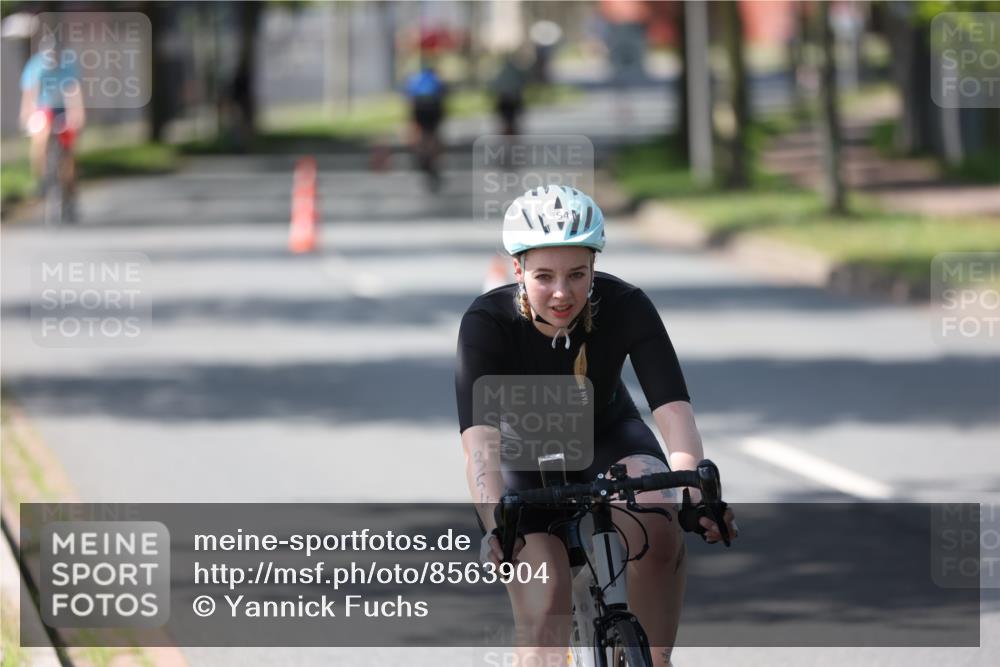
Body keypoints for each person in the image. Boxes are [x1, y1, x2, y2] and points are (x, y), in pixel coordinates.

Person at [455, 185, 737, 666]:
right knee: (546, 590)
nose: (562, 292)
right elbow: (480, 445)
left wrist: (693, 492)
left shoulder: (626, 305)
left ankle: (655, 658)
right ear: (518, 270)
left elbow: (673, 411)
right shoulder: (487, 323)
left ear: (594, 267)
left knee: (658, 514)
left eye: (577, 274)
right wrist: (494, 522)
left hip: (606, 435)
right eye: (544, 276)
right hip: (525, 459)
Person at [19, 31, 86, 216]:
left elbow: (73, 92)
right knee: (40, 138)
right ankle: (40, 179)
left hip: (63, 109)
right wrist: (26, 115)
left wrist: (77, 115)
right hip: (43, 109)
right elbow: (30, 94)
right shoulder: (36, 66)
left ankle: (70, 190)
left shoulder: (68, 65)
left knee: (69, 150)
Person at [403, 61, 447, 192]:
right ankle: (431, 156)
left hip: (419, 109)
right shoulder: (436, 79)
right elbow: (443, 94)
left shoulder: (415, 79)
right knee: (433, 134)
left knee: (421, 133)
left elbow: (408, 95)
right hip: (434, 109)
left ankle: (422, 155)